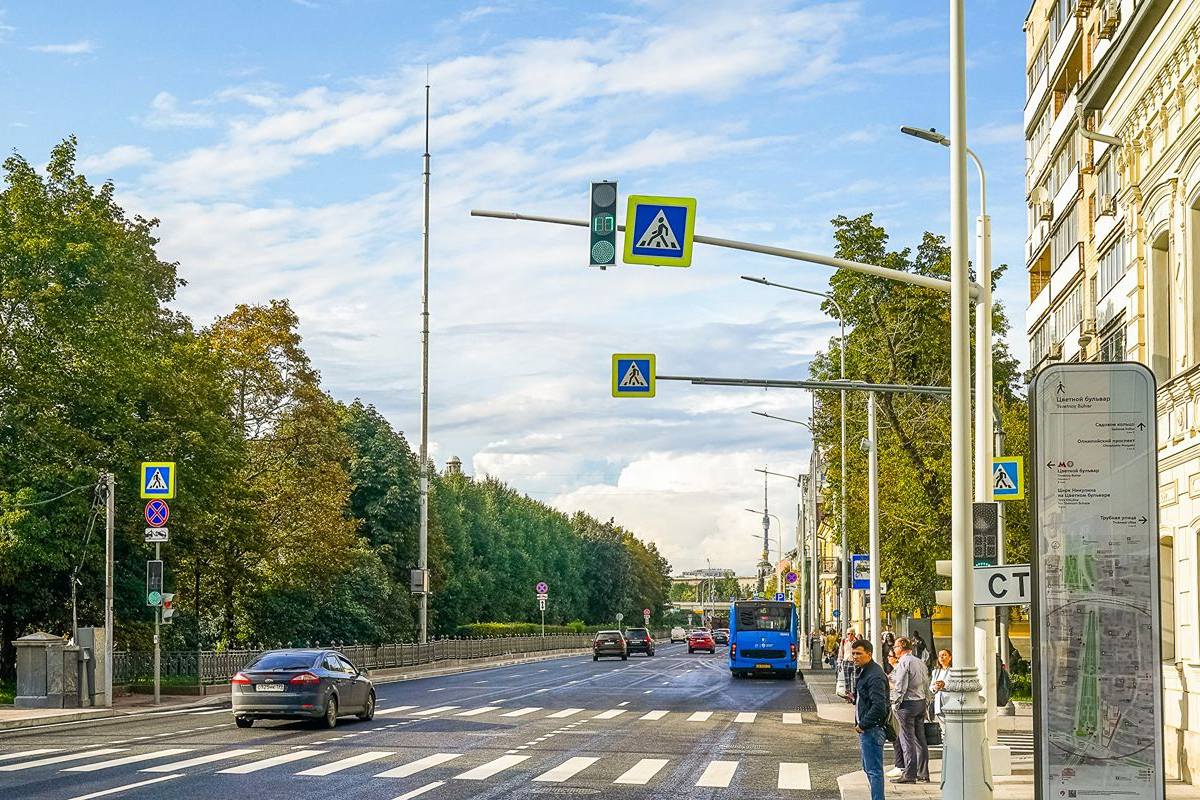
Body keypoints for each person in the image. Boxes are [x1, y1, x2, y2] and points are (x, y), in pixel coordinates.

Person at [850, 638, 889, 800]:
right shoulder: (865, 670)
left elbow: (879, 706)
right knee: (868, 768)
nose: (854, 657)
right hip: (868, 728)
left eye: (858, 654)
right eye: (853, 654)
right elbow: (868, 699)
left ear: (869, 654)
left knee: (874, 771)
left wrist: (863, 724)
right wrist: (855, 698)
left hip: (872, 729)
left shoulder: (874, 675)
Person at [890, 637, 931, 784]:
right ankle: (923, 773)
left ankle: (909, 774)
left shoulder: (904, 662)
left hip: (907, 704)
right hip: (920, 703)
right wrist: (926, 703)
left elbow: (901, 685)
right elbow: (926, 684)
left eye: (895, 646)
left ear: (901, 647)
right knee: (920, 740)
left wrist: (896, 702)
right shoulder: (919, 662)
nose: (894, 649)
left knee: (907, 740)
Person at [886, 651, 906, 778]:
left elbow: (899, 687)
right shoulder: (895, 670)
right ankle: (900, 765)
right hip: (893, 703)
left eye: (890, 656)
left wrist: (887, 683)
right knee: (897, 736)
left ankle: (901, 766)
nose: (888, 658)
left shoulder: (899, 670)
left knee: (898, 736)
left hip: (898, 705)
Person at [930, 649, 952, 719]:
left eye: (944, 655)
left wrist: (944, 685)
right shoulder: (936, 672)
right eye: (940, 656)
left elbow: (956, 685)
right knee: (942, 725)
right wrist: (935, 687)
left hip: (949, 701)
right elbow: (931, 687)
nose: (941, 657)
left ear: (950, 658)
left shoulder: (953, 671)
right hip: (938, 703)